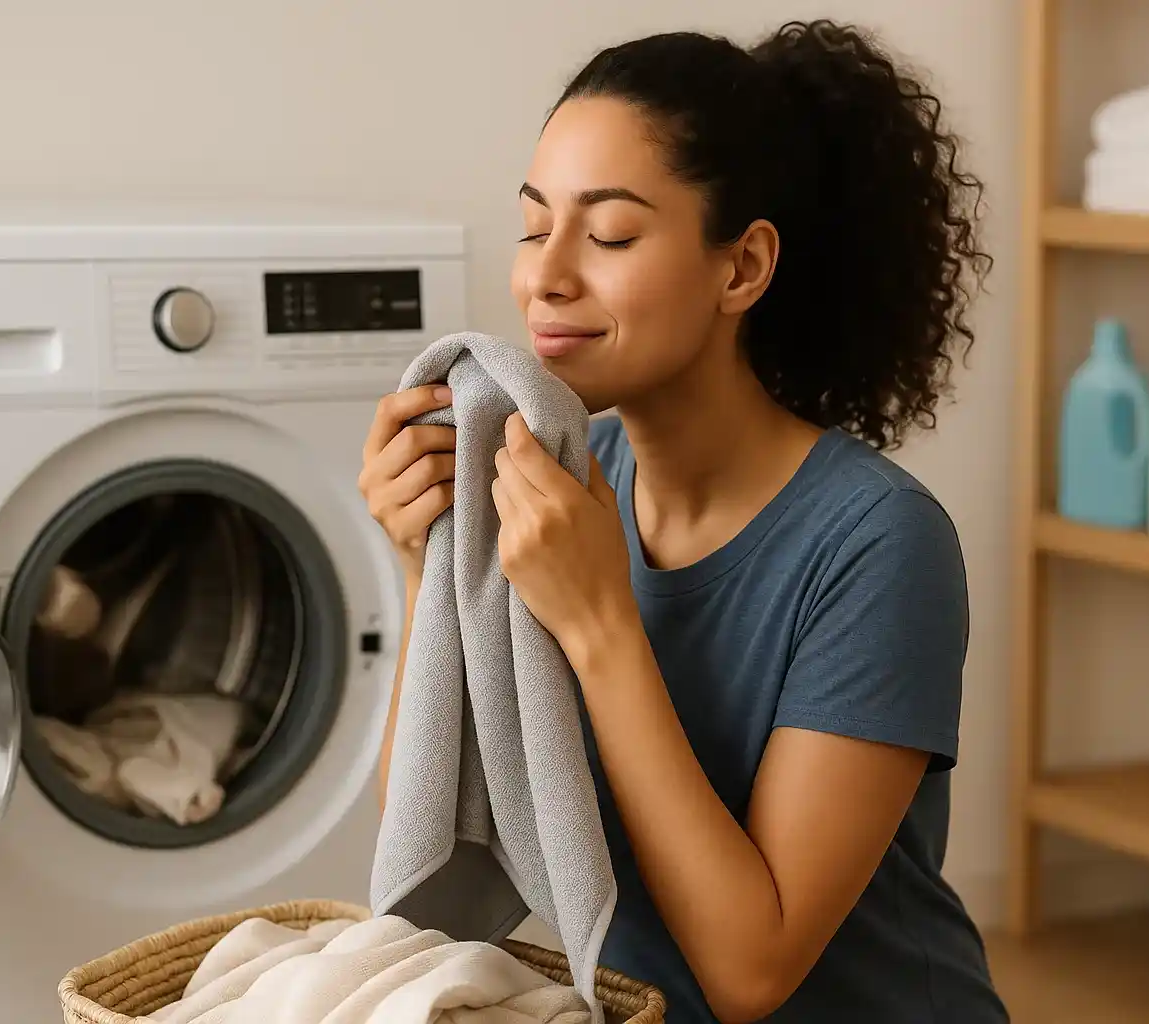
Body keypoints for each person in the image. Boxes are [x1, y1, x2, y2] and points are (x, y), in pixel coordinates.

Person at [357, 18, 1007, 1023]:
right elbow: (436, 826)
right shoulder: (560, 486)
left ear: (741, 269)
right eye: (535, 227)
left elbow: (753, 970)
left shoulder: (879, 541)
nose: (547, 275)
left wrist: (601, 623)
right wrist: (424, 575)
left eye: (609, 233)